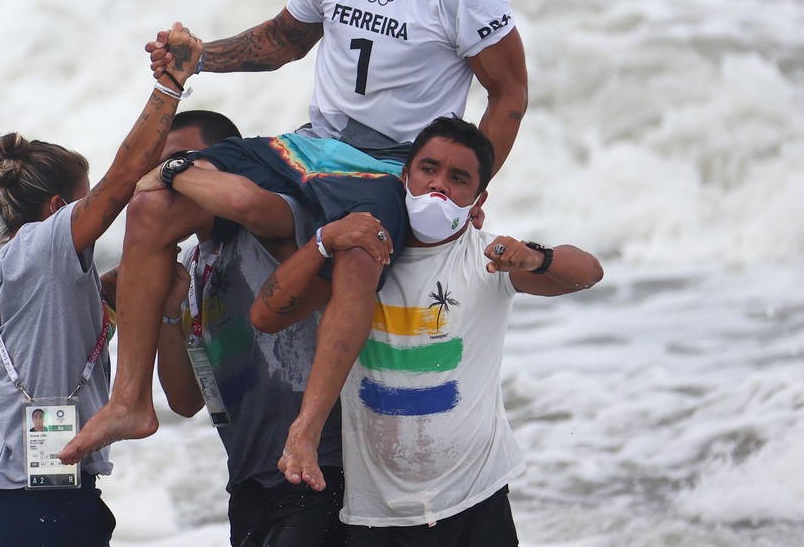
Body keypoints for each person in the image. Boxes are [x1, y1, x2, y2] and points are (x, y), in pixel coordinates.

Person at [64, 0, 528, 465]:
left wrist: (462, 191)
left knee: (358, 252)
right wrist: (200, 59)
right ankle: (131, 400)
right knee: (152, 209)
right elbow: (285, 40)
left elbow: (509, 95)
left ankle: (306, 430)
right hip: (309, 146)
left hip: (386, 167)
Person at [251, 117, 604, 545]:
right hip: (377, 516)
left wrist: (535, 257)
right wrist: (324, 240)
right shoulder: (362, 258)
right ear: (404, 176)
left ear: (478, 198)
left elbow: (588, 272)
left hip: (477, 499)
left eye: (459, 179)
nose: (439, 186)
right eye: (429, 169)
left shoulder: (488, 258)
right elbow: (267, 314)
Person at [0, 23, 203, 547]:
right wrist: (170, 85)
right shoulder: (47, 243)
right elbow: (124, 175)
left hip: (12, 483)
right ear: (59, 211)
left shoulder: (2, 261)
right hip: (41, 494)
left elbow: (63, 324)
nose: (92, 212)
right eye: (83, 201)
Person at [152, 110, 353, 547]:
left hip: (316, 471)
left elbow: (243, 202)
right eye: (165, 165)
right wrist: (169, 313)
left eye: (185, 161)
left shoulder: (277, 223)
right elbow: (186, 401)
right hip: (248, 484)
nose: (172, 179)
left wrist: (171, 171)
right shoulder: (189, 266)